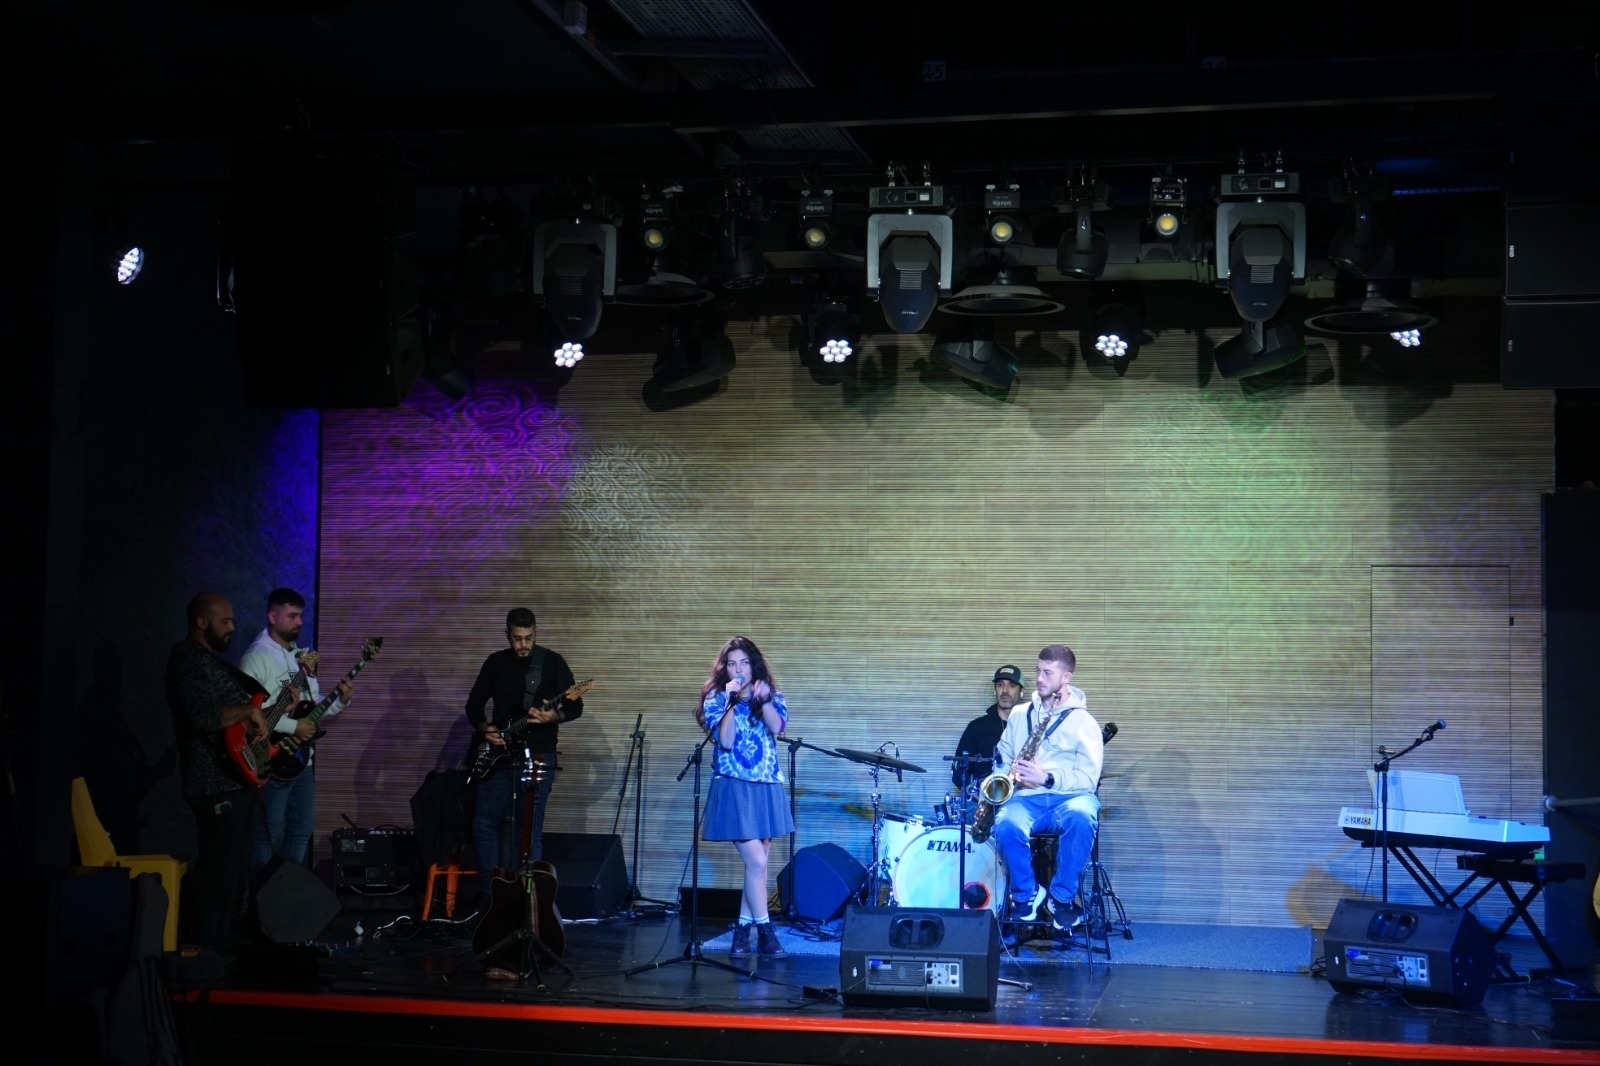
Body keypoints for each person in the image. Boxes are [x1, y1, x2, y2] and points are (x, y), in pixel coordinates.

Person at [165, 592, 280, 949]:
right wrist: (248, 711)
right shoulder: (187, 659)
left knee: (234, 868)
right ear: (202, 622)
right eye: (225, 620)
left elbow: (237, 722)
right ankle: (203, 946)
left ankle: (223, 942)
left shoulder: (212, 663)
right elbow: (201, 717)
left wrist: (268, 714)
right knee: (217, 868)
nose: (232, 627)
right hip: (213, 782)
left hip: (235, 779)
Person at [464, 608, 584, 897]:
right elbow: (473, 705)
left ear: (535, 633)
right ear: (507, 635)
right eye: (517, 638)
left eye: (529, 638)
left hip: (538, 755)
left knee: (528, 830)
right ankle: (492, 896)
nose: (523, 645)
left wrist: (554, 716)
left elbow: (575, 706)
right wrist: (484, 728)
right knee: (483, 824)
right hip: (498, 757)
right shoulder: (495, 662)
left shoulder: (552, 662)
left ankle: (527, 899)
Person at [238, 588, 354, 872]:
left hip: (301, 760)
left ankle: (286, 889)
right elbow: (247, 712)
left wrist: (340, 701)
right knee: (268, 833)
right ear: (272, 616)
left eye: (300, 616)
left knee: (301, 830)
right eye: (292, 616)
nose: (299, 622)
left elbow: (309, 708)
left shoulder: (298, 656)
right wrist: (293, 727)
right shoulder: (257, 656)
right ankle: (259, 893)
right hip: (270, 759)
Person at [989, 644, 1103, 935]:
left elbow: (1088, 779)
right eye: (1038, 670)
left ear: (1066, 677)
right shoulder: (1019, 714)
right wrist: (1005, 776)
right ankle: (1026, 895)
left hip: (1070, 798)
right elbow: (1003, 754)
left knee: (1083, 816)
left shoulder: (1084, 722)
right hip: (1026, 798)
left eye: (1047, 673)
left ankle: (1061, 898)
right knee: (1005, 823)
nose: (1039, 678)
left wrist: (1047, 778)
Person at [697, 636, 794, 961]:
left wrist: (763, 701)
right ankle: (765, 932)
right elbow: (725, 742)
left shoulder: (772, 696)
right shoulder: (716, 699)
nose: (738, 669)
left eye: (744, 663)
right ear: (724, 669)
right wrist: (730, 702)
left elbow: (777, 727)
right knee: (757, 862)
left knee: (758, 864)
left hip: (765, 784)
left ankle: (741, 933)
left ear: (754, 666)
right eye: (732, 664)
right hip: (734, 785)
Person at [951, 664, 1026, 790]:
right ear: (995, 689)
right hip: (983, 796)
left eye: (1012, 686)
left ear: (1021, 691)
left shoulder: (1030, 726)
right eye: (1000, 685)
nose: (1005, 691)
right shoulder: (976, 727)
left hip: (1021, 796)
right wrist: (977, 794)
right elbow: (958, 770)